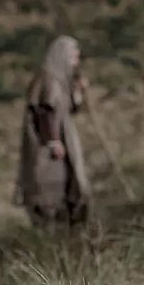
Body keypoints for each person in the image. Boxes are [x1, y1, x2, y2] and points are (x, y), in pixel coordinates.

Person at [13, 35, 91, 226]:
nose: (76, 62)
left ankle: (66, 223)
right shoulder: (49, 79)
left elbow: (67, 109)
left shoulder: (60, 79)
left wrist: (78, 91)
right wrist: (53, 140)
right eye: (73, 57)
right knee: (50, 183)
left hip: (63, 137)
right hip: (49, 142)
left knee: (67, 179)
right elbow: (47, 112)